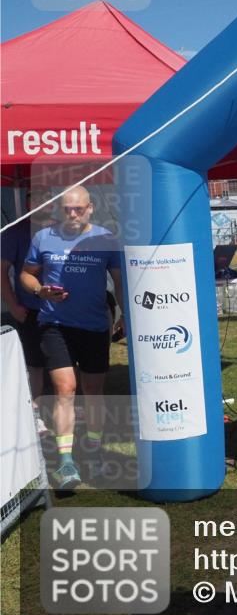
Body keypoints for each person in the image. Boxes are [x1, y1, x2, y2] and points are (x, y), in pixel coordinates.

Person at [19, 186, 123, 489]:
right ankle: (66, 462)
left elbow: (119, 281)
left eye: (78, 209)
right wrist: (40, 290)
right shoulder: (44, 237)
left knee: (93, 391)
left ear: (90, 208)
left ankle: (93, 450)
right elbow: (26, 275)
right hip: (55, 324)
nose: (73, 214)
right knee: (65, 389)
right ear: (58, 210)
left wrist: (126, 316)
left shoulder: (105, 238)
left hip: (93, 326)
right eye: (67, 209)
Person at [1, 190, 49, 434]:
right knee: (35, 365)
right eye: (37, 195)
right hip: (30, 310)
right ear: (29, 200)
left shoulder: (64, 229)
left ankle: (72, 409)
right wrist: (13, 306)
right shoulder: (16, 232)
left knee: (67, 362)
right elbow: (1, 272)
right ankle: (35, 414)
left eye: (49, 194)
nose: (44, 199)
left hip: (63, 311)